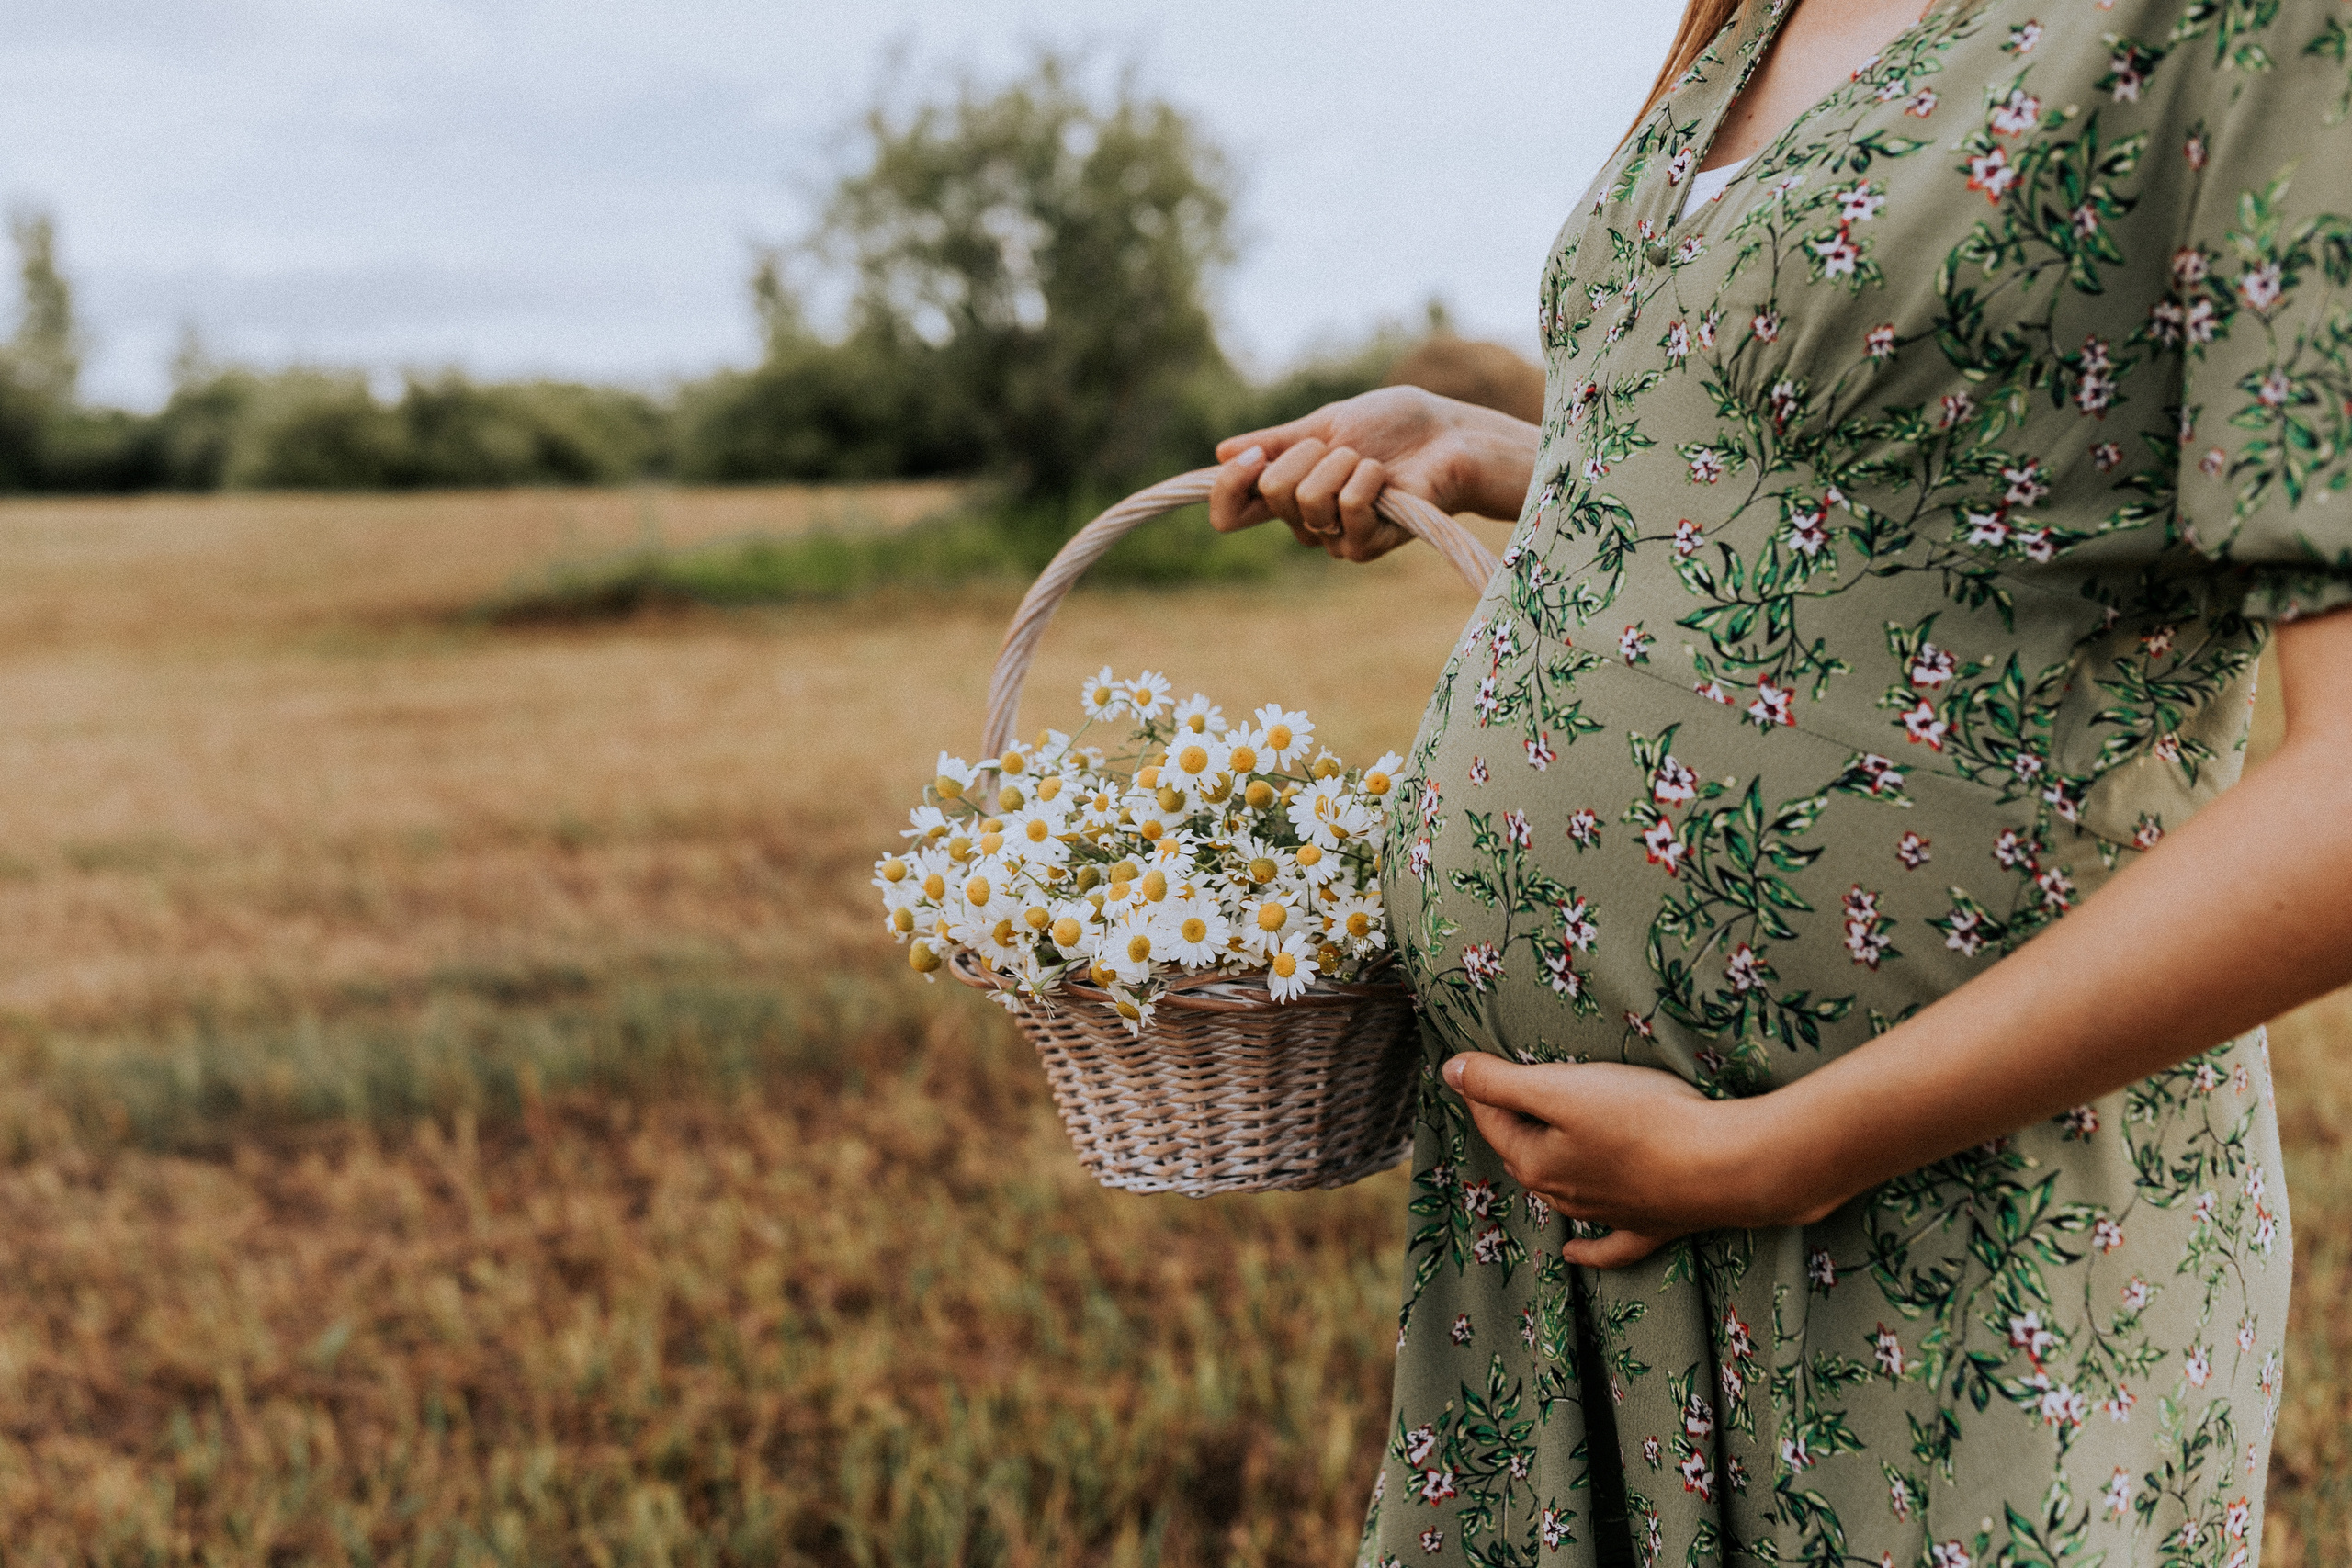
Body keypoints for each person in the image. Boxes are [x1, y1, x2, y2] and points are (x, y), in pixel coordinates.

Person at [1206, 0, 2352, 1560]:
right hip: (1562, 1234)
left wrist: (1784, 1151)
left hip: (1930, 1220)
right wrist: (1509, 441)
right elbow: (1905, 503)